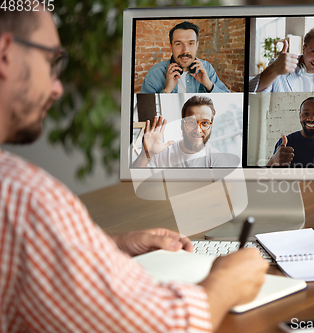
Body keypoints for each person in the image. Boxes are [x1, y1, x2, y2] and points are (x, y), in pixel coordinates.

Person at [0, 8, 268, 332]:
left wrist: (113, 245)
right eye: (50, 62)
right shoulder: (24, 198)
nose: (57, 88)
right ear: (5, 54)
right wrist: (225, 283)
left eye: (191, 44)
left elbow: (32, 259)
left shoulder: (210, 87)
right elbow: (153, 327)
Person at [132, 95, 227, 168]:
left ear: (211, 126)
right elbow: (131, 184)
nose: (198, 130)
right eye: (191, 122)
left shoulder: (217, 160)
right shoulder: (161, 154)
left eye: (205, 123)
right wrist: (145, 155)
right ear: (182, 125)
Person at [249, 26, 314, 93]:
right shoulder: (280, 65)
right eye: (313, 51)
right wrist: (274, 69)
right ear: (304, 48)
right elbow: (251, 93)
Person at [141, 21, 230, 94]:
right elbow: (146, 111)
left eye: (191, 43)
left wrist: (209, 85)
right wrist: (166, 91)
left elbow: (229, 101)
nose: (185, 51)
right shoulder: (154, 74)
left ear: (196, 46)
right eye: (179, 44)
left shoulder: (207, 69)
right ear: (171, 47)